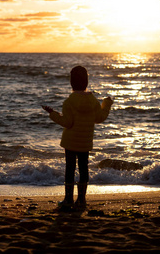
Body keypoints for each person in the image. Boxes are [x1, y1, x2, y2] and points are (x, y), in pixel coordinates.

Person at [42, 65, 113, 209]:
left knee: (70, 169)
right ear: (86, 82)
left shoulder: (69, 101)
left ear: (71, 83)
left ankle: (68, 200)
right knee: (83, 169)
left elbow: (67, 123)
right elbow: (100, 118)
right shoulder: (93, 101)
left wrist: (53, 114)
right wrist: (106, 104)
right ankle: (81, 200)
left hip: (70, 142)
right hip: (85, 143)